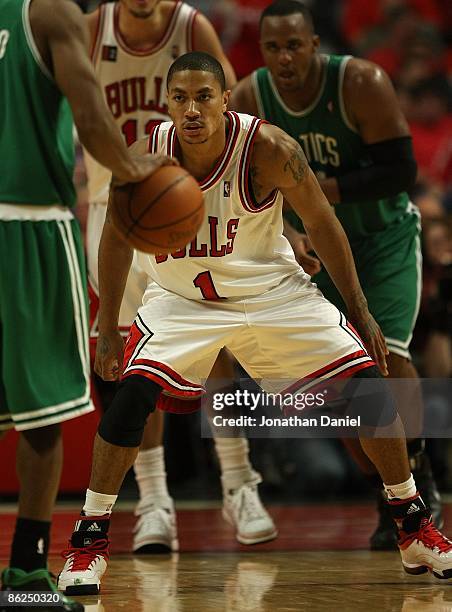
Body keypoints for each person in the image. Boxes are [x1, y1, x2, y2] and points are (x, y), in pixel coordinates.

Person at [57, 51, 452, 595]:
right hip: (182, 299)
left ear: (224, 99)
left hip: (272, 293)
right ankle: (89, 541)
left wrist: (360, 311)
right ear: (166, 103)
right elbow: (115, 237)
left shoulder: (269, 149)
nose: (191, 109)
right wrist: (108, 326)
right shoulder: (147, 157)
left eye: (203, 96)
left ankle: (412, 525)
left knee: (367, 387)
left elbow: (323, 223)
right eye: (180, 98)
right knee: (130, 398)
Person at [228, 0, 443, 550]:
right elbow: (249, 185)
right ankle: (385, 493)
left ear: (315, 44)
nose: (283, 57)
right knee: (334, 386)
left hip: (381, 239)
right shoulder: (252, 97)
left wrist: (327, 191)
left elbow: (402, 170)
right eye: (273, 47)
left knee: (388, 354)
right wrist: (291, 232)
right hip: (312, 248)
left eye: (294, 45)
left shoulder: (360, 82)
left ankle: (420, 478)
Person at [84, 0, 276, 553]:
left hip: (190, 203)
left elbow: (230, 101)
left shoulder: (191, 26)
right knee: (131, 361)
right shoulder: (90, 30)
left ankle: (239, 482)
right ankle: (153, 500)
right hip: (116, 208)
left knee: (218, 346)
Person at [0, 0, 169, 608]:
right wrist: (132, 168)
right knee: (44, 416)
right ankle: (23, 576)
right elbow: (93, 117)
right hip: (26, 225)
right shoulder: (50, 13)